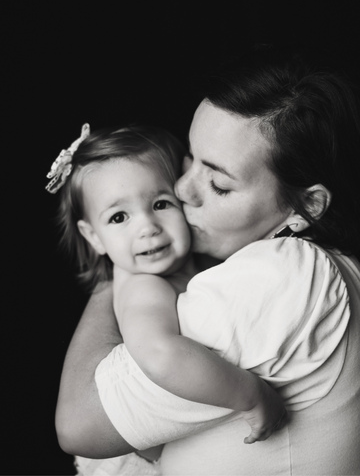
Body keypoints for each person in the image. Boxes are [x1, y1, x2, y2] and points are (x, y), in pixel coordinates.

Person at [56, 45, 360, 475]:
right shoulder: (325, 264)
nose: (180, 190)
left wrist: (116, 271)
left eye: (217, 184)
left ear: (304, 205)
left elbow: (78, 425)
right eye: (189, 161)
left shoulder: (277, 278)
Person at [48, 123, 288, 474]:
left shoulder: (194, 266)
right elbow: (159, 354)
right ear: (93, 237)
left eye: (161, 203)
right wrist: (250, 395)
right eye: (119, 217)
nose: (147, 226)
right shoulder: (143, 285)